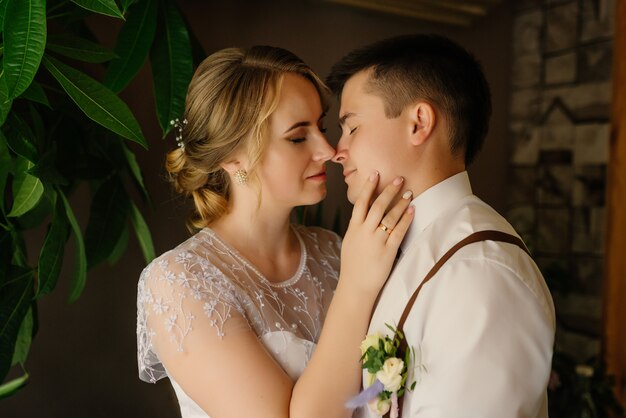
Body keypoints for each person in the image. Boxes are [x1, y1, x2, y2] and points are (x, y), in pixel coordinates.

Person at [136, 45, 414, 418]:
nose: (329, 150)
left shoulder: (335, 250)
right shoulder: (179, 282)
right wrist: (356, 286)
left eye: (323, 127)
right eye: (299, 137)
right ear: (233, 157)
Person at [326, 34, 556, 417]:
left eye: (351, 127)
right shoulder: (389, 250)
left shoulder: (480, 271)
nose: (337, 151)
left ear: (419, 123)